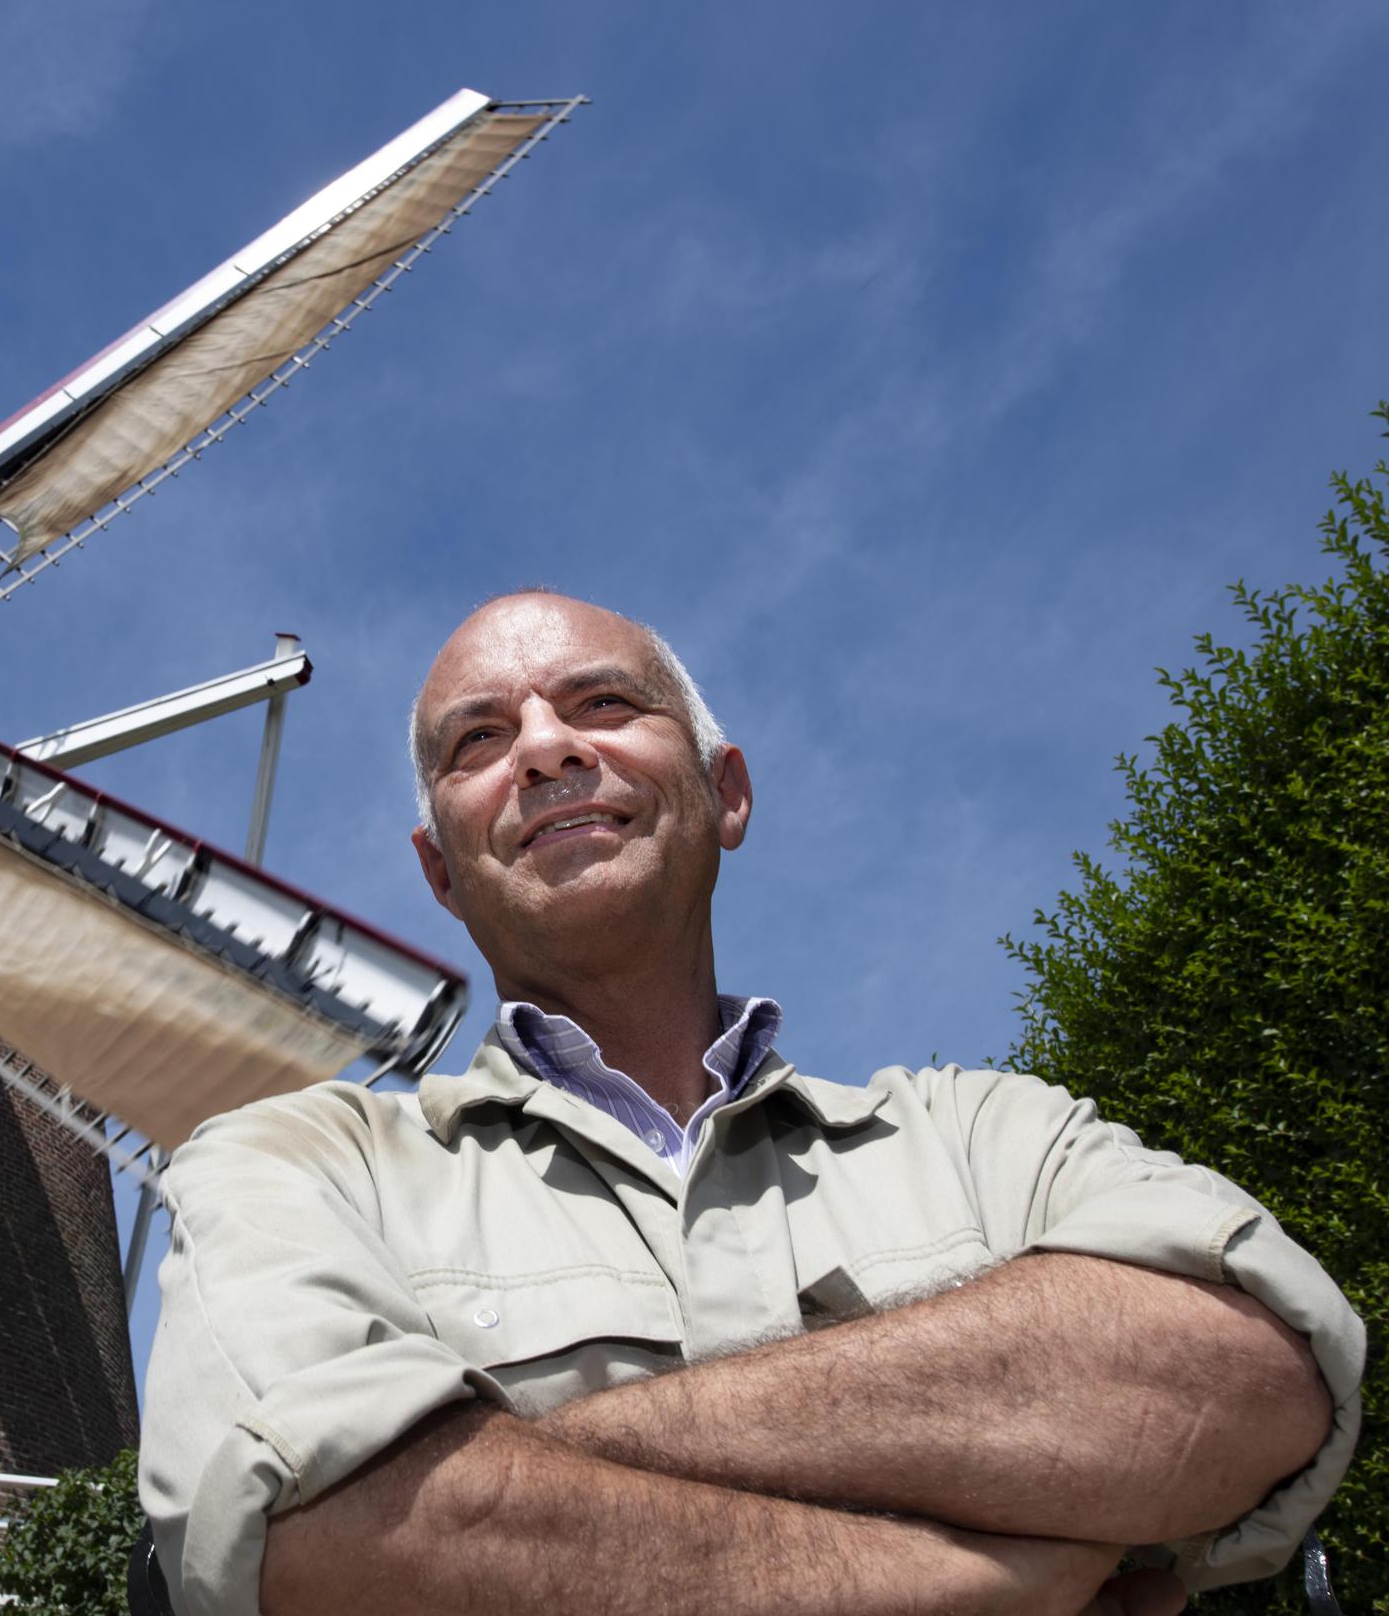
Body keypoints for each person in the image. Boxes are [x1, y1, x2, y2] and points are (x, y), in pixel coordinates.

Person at [137, 592, 1362, 1616]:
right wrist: (983, 1571)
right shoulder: (298, 1159)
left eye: (604, 703)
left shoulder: (987, 1132)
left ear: (726, 791)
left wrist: (492, 1481)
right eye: (477, 739)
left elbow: (1243, 1373)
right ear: (438, 871)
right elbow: (304, 1527)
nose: (548, 747)